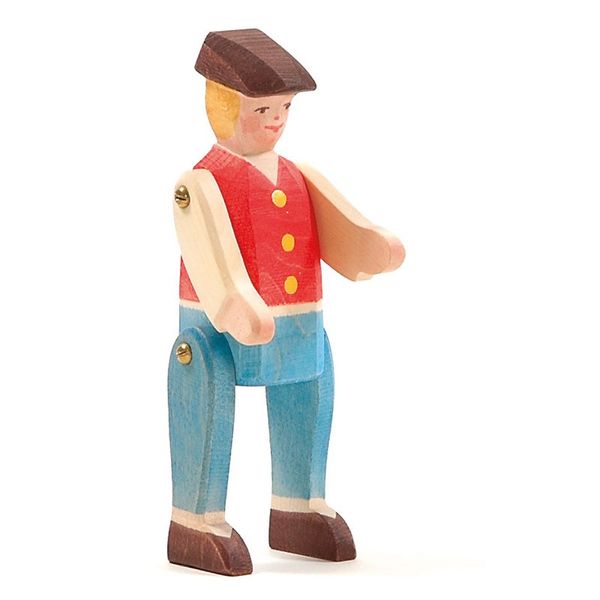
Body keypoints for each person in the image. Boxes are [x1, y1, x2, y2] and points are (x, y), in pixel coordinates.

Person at [168, 28, 405, 576]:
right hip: (222, 328)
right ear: (225, 108)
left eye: (284, 108)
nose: (276, 119)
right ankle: (195, 516)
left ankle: (299, 503)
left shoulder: (299, 174)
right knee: (205, 387)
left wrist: (373, 246)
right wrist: (234, 301)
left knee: (311, 380)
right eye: (263, 109)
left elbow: (341, 228)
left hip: (298, 323)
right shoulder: (201, 181)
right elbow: (206, 246)